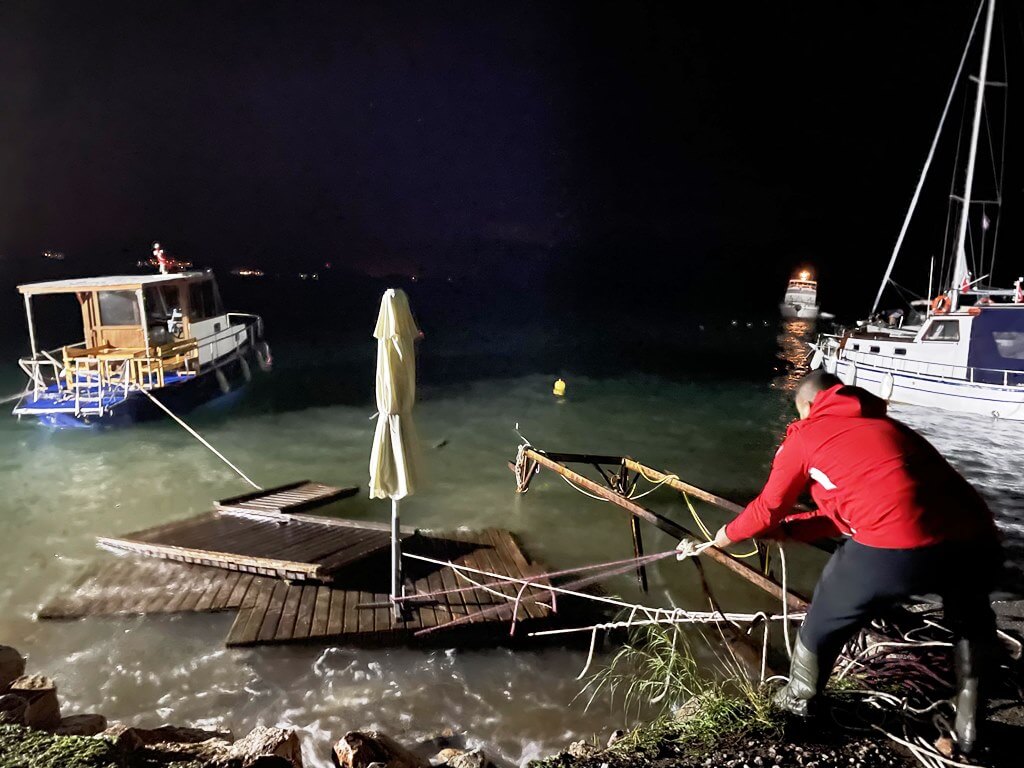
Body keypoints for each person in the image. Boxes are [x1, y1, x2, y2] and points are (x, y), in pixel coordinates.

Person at [709, 370, 1000, 754]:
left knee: (822, 622)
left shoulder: (806, 436)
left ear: (809, 406)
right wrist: (794, 531)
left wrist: (726, 535)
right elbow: (860, 506)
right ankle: (971, 725)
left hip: (894, 548)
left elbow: (766, 509)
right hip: (976, 539)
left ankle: (797, 705)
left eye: (799, 412)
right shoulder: (889, 427)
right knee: (971, 623)